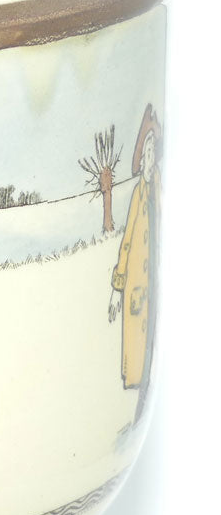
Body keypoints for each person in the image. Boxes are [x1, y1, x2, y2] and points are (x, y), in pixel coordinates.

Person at [109, 104, 161, 420]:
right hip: (136, 286)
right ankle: (136, 403)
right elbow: (127, 241)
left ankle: (139, 406)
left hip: (153, 280)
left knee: (149, 349)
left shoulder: (157, 190)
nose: (149, 159)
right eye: (146, 154)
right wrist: (118, 283)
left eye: (153, 153)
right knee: (138, 353)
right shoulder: (138, 195)